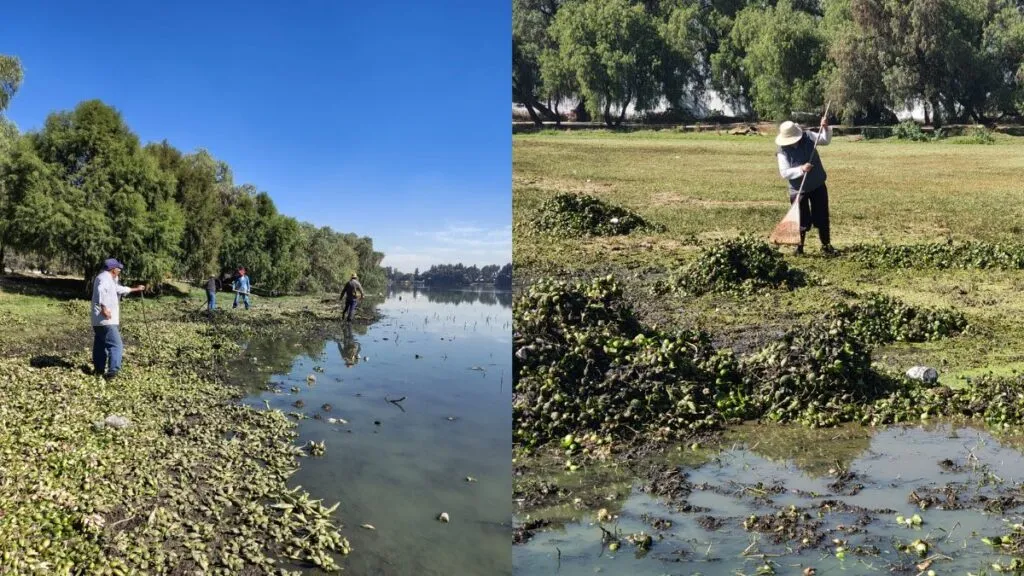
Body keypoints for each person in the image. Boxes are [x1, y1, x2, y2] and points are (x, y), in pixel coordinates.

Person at [776, 113, 836, 256]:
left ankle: (826, 246)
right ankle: (799, 248)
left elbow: (825, 140)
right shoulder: (782, 151)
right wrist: (801, 169)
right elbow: (784, 173)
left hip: (817, 184)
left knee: (822, 216)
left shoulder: (808, 136)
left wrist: (825, 128)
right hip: (798, 189)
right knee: (801, 219)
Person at [91, 258, 145, 379]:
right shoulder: (104, 278)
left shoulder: (108, 279)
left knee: (100, 344)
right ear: (113, 269)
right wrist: (104, 308)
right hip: (106, 319)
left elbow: (118, 289)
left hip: (99, 320)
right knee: (116, 345)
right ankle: (112, 371)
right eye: (118, 269)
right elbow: (101, 290)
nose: (120, 270)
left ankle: (98, 370)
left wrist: (136, 289)